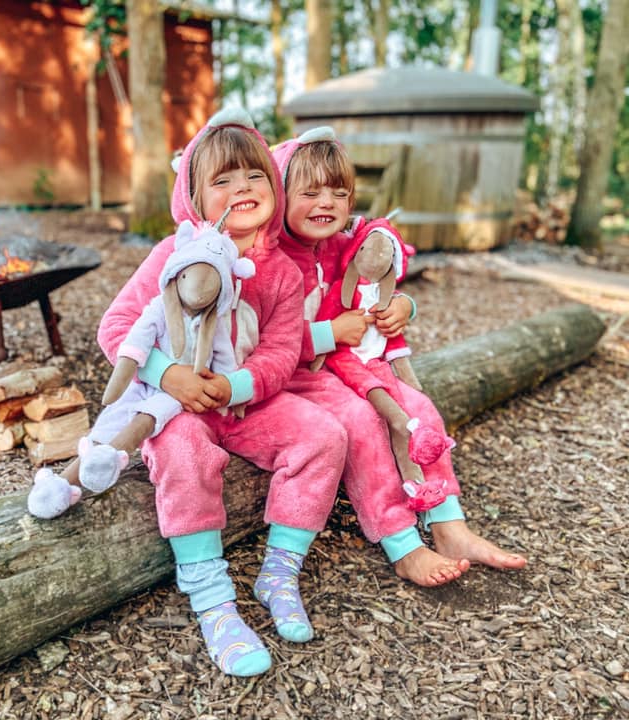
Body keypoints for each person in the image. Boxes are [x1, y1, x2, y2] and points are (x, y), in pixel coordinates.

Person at [95, 109, 347, 677]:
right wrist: (168, 375)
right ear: (193, 197)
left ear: (274, 187)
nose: (242, 189)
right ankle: (213, 602)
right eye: (222, 181)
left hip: (245, 403)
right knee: (182, 448)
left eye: (255, 176)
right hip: (173, 405)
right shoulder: (171, 254)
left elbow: (284, 351)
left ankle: (279, 572)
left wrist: (235, 383)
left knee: (324, 435)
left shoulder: (281, 271)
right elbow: (115, 328)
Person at [272, 127, 527, 587]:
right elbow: (264, 342)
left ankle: (450, 526)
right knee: (365, 424)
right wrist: (330, 333)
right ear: (280, 195)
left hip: (351, 364)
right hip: (295, 377)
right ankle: (402, 543)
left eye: (339, 192)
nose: (326, 203)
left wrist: (404, 307)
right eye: (309, 192)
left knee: (420, 409)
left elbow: (384, 276)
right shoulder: (271, 258)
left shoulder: (343, 242)